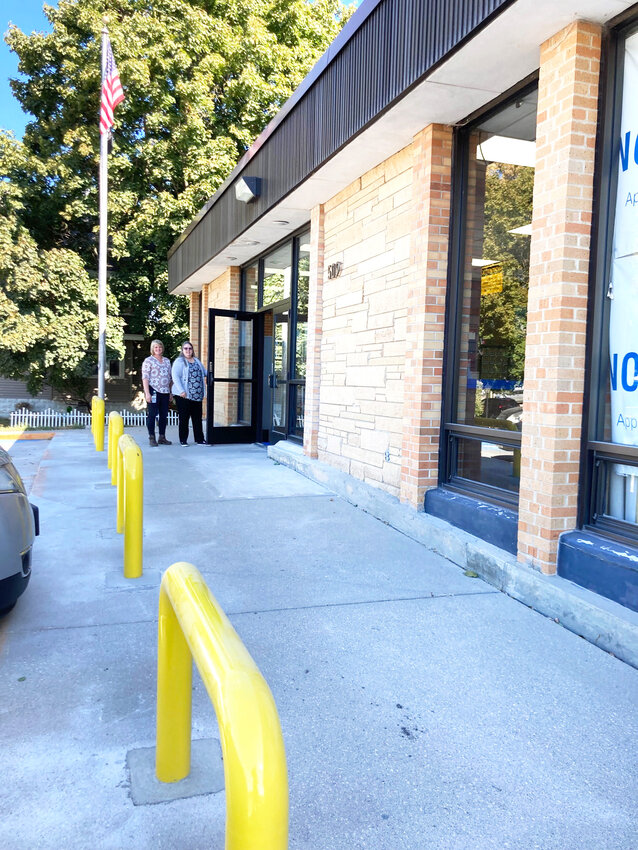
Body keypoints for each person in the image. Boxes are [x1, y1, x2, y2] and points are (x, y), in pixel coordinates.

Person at [171, 340, 207, 446]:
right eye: (185, 348)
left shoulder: (196, 360)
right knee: (184, 418)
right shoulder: (179, 361)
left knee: (197, 418)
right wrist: (181, 390)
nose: (188, 350)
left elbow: (204, 372)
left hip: (197, 395)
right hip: (184, 395)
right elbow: (175, 376)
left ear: (192, 350)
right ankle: (183, 440)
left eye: (190, 348)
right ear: (182, 350)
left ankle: (200, 439)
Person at [141, 339, 173, 446]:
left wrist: (170, 392)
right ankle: (151, 437)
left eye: (159, 347)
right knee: (152, 414)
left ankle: (162, 437)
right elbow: (145, 378)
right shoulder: (148, 361)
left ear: (162, 348)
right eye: (155, 347)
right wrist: (147, 393)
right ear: (152, 349)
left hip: (165, 391)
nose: (158, 349)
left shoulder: (167, 361)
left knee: (163, 415)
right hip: (153, 390)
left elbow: (170, 377)